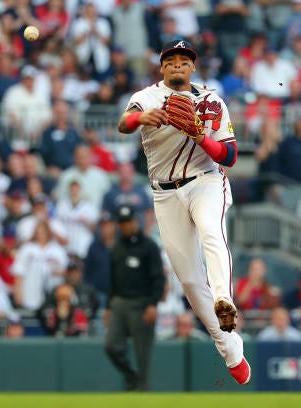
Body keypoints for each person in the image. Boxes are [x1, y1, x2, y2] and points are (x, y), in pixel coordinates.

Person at [117, 39, 250, 385]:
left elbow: (230, 156)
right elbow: (123, 123)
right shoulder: (147, 97)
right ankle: (229, 347)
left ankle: (224, 300)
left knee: (211, 230)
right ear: (162, 68)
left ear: (193, 67)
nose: (177, 64)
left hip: (205, 181)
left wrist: (200, 137)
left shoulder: (210, 101)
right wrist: (142, 117)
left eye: (184, 60)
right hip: (164, 192)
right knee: (190, 280)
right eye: (171, 60)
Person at [103, 205, 165, 391]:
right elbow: (112, 279)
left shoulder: (149, 246)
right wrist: (108, 306)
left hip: (142, 304)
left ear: (135, 221)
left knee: (142, 354)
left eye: (128, 221)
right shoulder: (117, 247)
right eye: (121, 222)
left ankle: (142, 387)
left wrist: (153, 304)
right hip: (120, 303)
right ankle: (132, 377)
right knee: (111, 346)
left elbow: (158, 277)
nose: (125, 226)